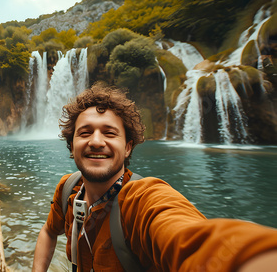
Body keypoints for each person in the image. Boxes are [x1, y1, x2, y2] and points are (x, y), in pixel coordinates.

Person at [32, 84, 277, 272]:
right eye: (85, 133)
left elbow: (190, 239)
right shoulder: (68, 188)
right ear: (72, 145)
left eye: (109, 133)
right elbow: (48, 231)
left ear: (128, 147)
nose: (96, 141)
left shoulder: (143, 199)